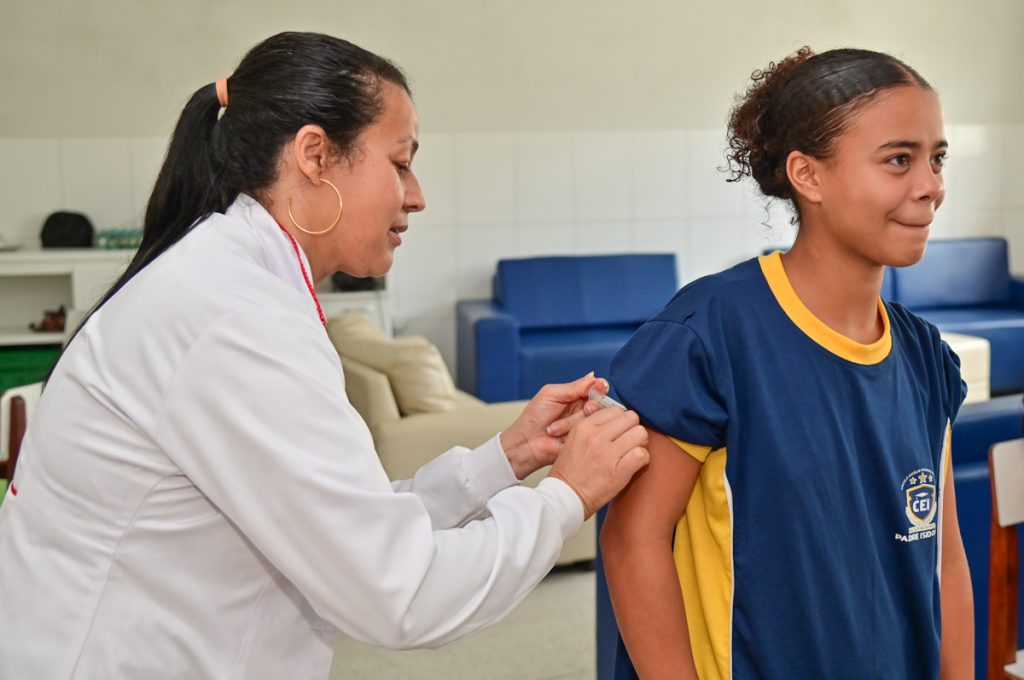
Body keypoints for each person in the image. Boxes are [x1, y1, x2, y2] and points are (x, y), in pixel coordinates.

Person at [0, 32, 650, 678]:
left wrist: (508, 457)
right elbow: (400, 592)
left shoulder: (230, 282)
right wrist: (567, 495)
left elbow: (343, 521)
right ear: (314, 155)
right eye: (400, 163)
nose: (417, 194)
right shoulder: (234, 317)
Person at [601, 47, 973, 679]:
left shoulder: (926, 357)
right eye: (899, 160)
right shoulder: (708, 335)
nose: (931, 185)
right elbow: (633, 542)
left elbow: (945, 556)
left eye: (937, 159)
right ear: (808, 175)